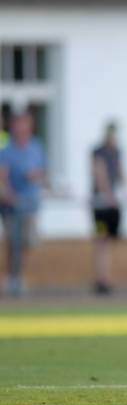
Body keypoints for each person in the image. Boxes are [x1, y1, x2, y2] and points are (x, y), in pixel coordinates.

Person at [0, 112, 45, 297]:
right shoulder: (6, 149)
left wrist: (36, 175)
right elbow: (2, 175)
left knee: (27, 241)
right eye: (19, 124)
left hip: (30, 202)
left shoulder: (36, 146)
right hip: (11, 204)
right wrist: (6, 192)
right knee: (13, 241)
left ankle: (19, 276)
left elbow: (43, 171)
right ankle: (12, 278)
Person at [91, 121, 127, 295]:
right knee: (101, 239)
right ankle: (102, 278)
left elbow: (121, 172)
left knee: (107, 240)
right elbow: (100, 175)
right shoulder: (98, 152)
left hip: (112, 204)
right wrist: (109, 195)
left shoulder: (117, 152)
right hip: (100, 205)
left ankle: (105, 277)